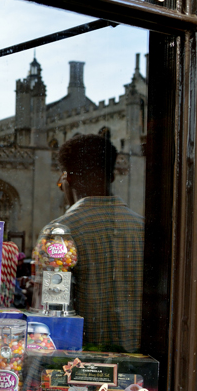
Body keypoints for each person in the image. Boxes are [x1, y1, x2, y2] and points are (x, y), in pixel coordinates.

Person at [50, 133, 144, 352]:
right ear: (111, 177)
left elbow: (53, 312)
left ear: (67, 178)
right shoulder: (144, 229)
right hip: (141, 362)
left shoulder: (60, 232)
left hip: (83, 365)